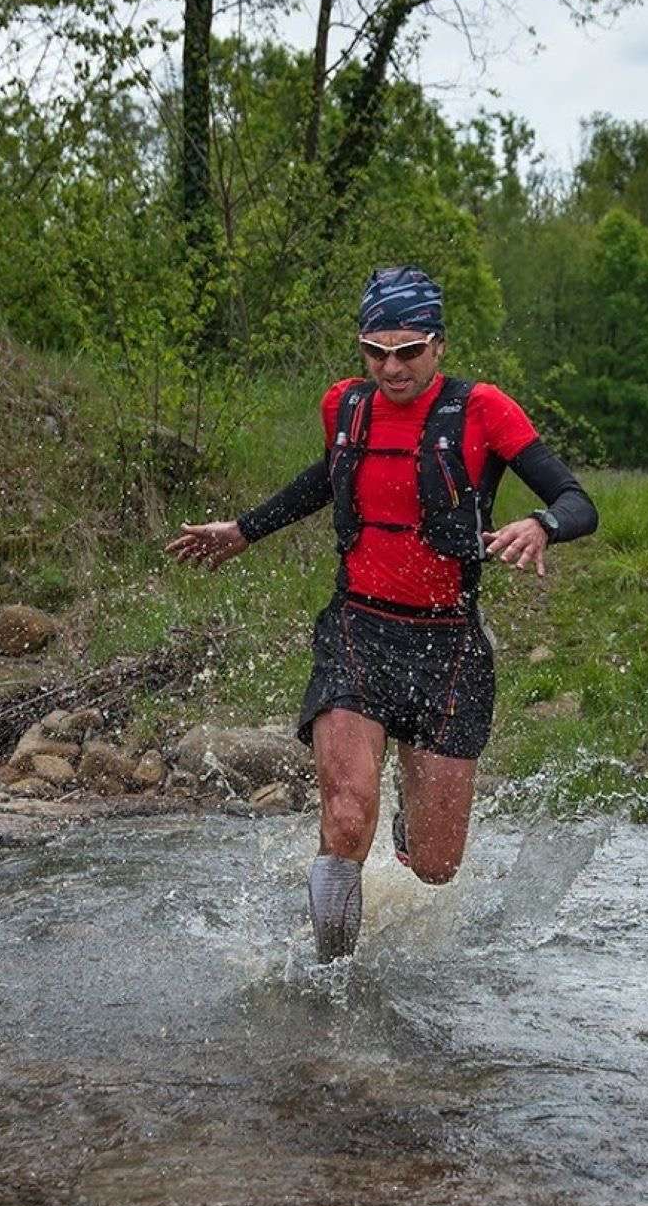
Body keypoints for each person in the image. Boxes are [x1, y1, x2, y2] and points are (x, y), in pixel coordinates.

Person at [167, 266, 598, 963]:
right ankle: (328, 981)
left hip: (449, 644)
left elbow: (580, 500)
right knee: (343, 820)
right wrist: (246, 529)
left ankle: (406, 816)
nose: (392, 368)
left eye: (409, 351)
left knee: (434, 867)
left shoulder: (485, 410)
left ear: (439, 347)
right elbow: (327, 477)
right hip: (358, 630)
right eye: (377, 351)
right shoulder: (346, 407)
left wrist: (544, 524)